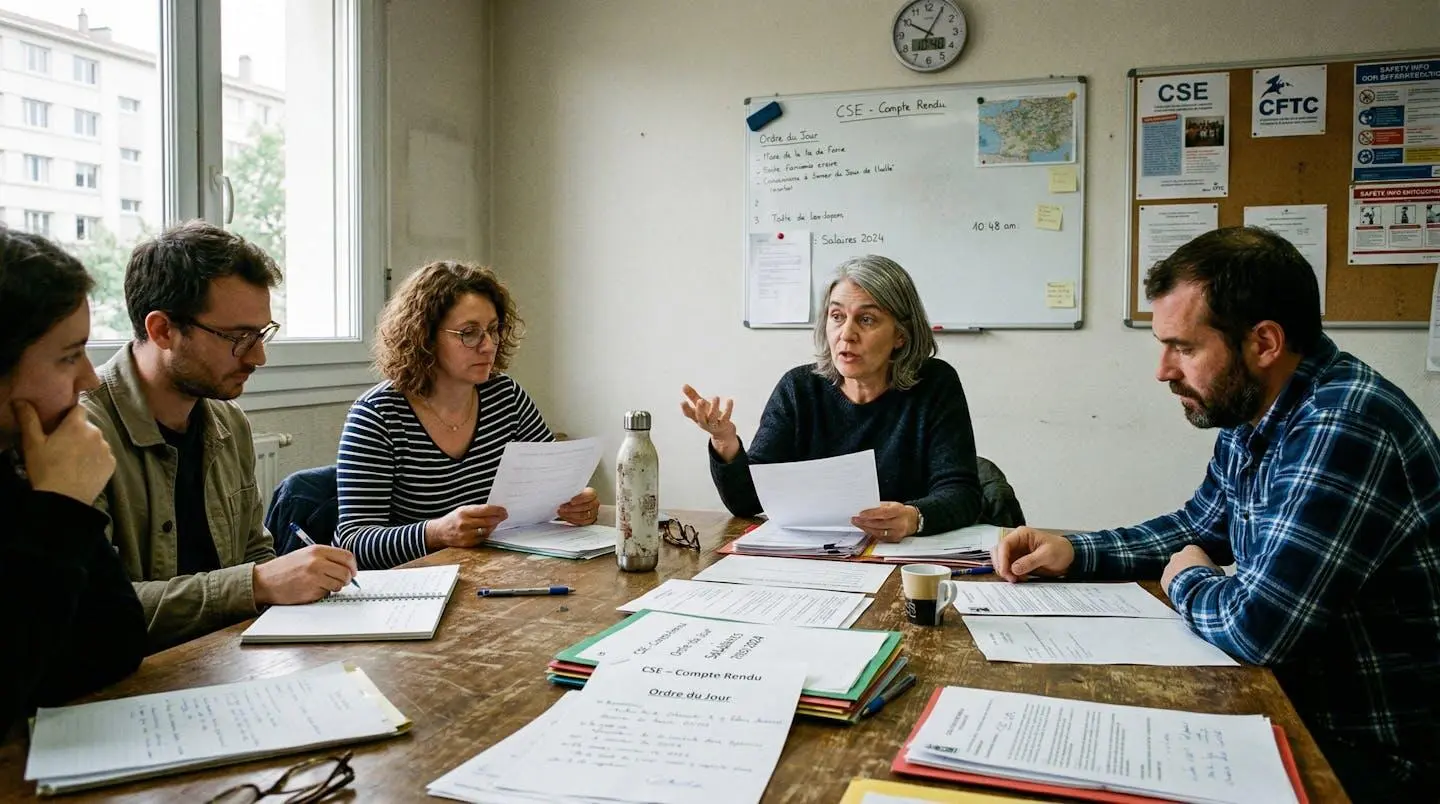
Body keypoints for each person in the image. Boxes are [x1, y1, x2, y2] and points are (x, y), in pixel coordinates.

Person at [990, 226, 1440, 802]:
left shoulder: (1343, 423)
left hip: (1369, 756)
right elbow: (1198, 527)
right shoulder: (1260, 407)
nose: (1162, 370)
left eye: (1184, 347)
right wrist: (1077, 550)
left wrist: (1187, 580)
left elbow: (1258, 629)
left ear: (1265, 342)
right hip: (1288, 710)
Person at [83, 221, 357, 652]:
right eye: (237, 337)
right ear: (162, 330)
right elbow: (92, 611)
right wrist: (257, 583)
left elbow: (255, 555)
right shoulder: (78, 433)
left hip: (227, 659)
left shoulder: (230, 424)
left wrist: (292, 585)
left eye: (262, 333)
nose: (258, 356)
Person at [682, 254, 982, 541]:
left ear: (900, 335)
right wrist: (724, 442)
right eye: (837, 316)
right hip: (817, 563)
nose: (846, 334)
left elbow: (962, 494)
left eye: (866, 320)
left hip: (903, 560)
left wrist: (914, 517)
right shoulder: (799, 389)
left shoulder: (934, 385)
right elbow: (748, 501)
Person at [336, 261, 598, 570]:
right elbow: (355, 543)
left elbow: (557, 484)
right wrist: (436, 532)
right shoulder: (377, 415)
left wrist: (579, 501)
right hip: (418, 590)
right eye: (469, 333)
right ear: (425, 337)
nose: (487, 346)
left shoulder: (506, 396)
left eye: (492, 330)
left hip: (494, 573)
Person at [0, 227, 145, 730]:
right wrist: (60, 508)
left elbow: (118, 644)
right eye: (68, 356)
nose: (89, 378)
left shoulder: (17, 466)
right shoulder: (46, 491)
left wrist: (61, 508)